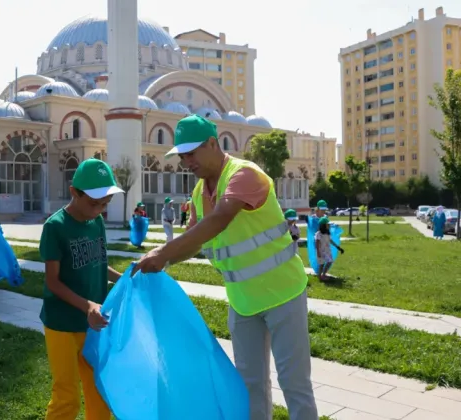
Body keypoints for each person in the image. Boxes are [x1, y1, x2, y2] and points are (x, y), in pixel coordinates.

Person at [135, 115, 318, 420]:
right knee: (249, 385)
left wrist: (164, 252)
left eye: (191, 153)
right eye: (181, 155)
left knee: (294, 383)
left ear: (212, 143)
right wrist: (160, 259)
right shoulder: (198, 192)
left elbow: (220, 219)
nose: (185, 161)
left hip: (283, 292)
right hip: (243, 301)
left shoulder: (244, 174)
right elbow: (194, 241)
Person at [39, 158, 123, 420]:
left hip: (92, 324)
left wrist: (122, 279)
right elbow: (52, 281)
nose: (99, 210)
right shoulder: (55, 227)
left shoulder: (96, 222)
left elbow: (99, 264)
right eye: (94, 203)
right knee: (67, 397)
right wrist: (87, 305)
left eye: (104, 204)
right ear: (74, 192)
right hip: (62, 324)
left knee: (99, 389)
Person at [315, 217, 344, 282]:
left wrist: (338, 247)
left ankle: (324, 274)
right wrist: (318, 252)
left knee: (330, 261)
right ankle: (320, 277)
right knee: (321, 264)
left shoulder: (327, 233)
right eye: (327, 225)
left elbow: (330, 241)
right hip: (321, 251)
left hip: (327, 251)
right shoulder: (318, 234)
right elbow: (317, 243)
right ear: (323, 226)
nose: (329, 226)